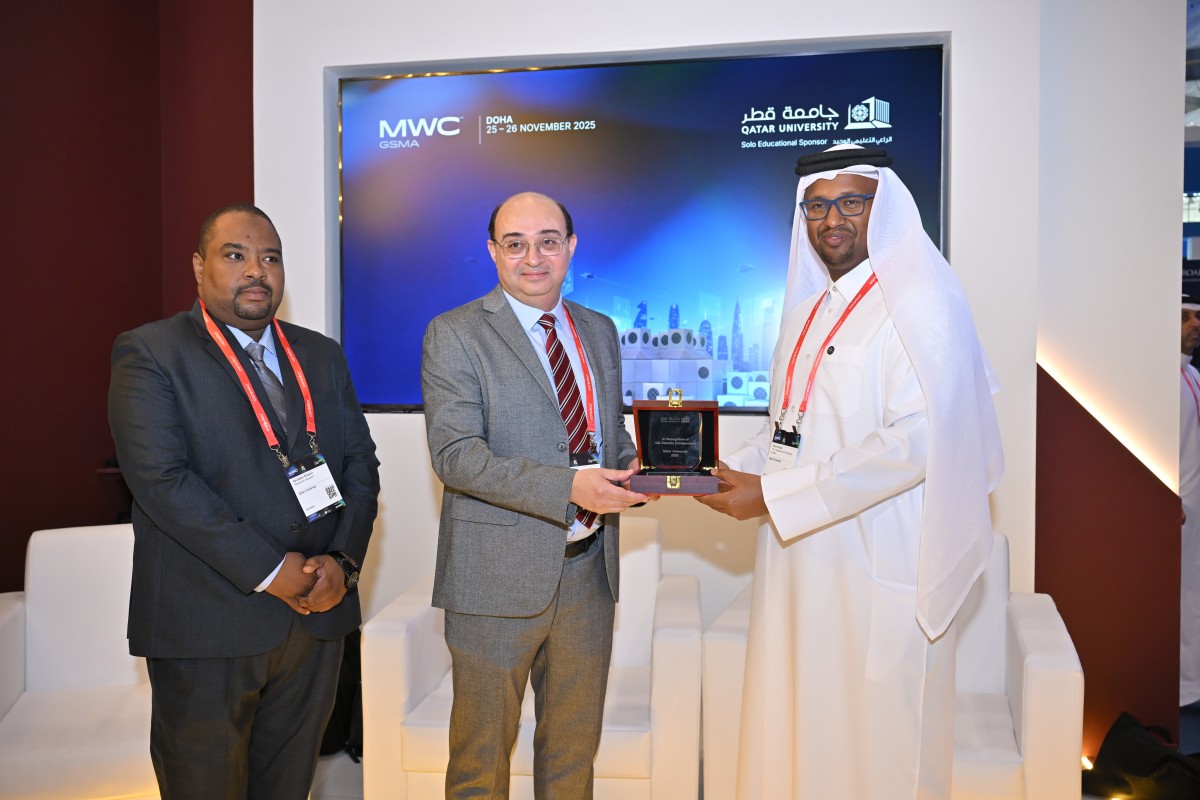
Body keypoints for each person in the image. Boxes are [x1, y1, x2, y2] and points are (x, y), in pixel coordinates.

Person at [697, 145, 1004, 799]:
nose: (832, 219)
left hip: (879, 561)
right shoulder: (810, 311)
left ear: (883, 207)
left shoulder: (921, 303)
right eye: (816, 206)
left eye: (851, 202)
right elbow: (790, 428)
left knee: (877, 750)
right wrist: (716, 472)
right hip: (798, 563)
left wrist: (771, 496)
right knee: (799, 736)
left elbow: (920, 439)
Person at [108, 203, 380, 799]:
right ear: (199, 267)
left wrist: (342, 564)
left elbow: (361, 468)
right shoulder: (151, 352)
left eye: (270, 258)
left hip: (316, 619)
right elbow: (162, 481)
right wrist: (272, 569)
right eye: (236, 255)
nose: (257, 270)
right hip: (207, 625)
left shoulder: (321, 355)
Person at [421, 191, 646, 798]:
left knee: (572, 759)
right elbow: (456, 457)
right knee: (480, 765)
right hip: (494, 578)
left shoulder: (598, 330)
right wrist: (570, 485)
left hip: (588, 574)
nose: (533, 257)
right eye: (515, 244)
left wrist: (641, 466)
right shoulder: (455, 333)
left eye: (548, 241)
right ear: (493, 252)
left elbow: (606, 429)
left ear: (571, 247)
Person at [1181, 294, 1200, 708]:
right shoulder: (1166, 381)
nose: (1196, 324)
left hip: (1194, 507)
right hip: (1180, 509)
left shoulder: (1194, 375)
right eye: (1185, 318)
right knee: (1183, 598)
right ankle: (1185, 690)